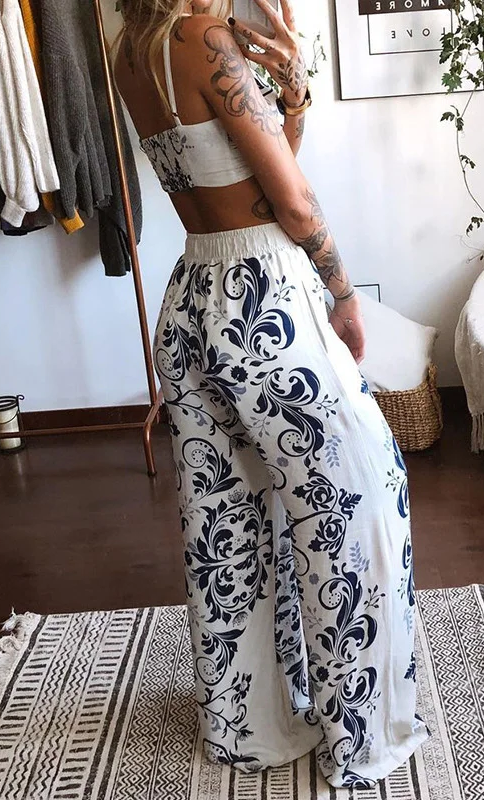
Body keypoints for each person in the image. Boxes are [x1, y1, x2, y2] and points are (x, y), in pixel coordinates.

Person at [114, 0, 429, 788]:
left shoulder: (133, 48)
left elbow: (246, 179)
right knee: (357, 500)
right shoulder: (204, 38)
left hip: (195, 296)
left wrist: (294, 98)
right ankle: (362, 733)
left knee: (229, 522)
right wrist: (344, 293)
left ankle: (250, 727)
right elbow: (289, 203)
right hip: (266, 302)